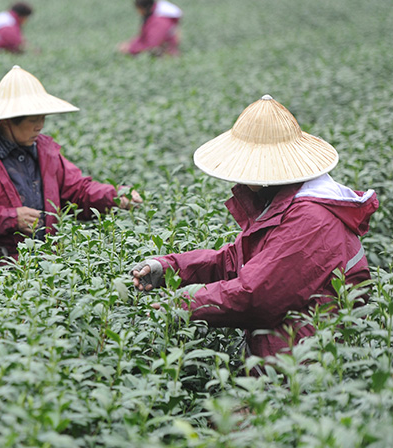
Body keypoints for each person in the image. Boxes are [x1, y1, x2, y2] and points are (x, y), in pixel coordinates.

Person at [131, 95, 378, 358]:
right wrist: (169, 268)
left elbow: (256, 295)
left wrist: (180, 304)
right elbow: (234, 260)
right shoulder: (283, 203)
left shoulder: (310, 219)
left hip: (306, 372)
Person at [0, 65, 142, 267]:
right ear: (6, 121)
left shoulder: (44, 150)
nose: (40, 125)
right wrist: (11, 218)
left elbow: (78, 191)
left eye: (42, 118)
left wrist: (115, 196)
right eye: (34, 119)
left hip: (44, 267)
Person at [118, 0, 182, 57]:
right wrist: (130, 45)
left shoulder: (158, 22)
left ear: (142, 8)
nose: (138, 12)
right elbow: (144, 38)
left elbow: (152, 46)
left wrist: (130, 49)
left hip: (164, 57)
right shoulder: (154, 17)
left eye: (138, 9)